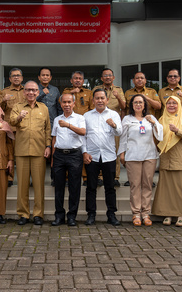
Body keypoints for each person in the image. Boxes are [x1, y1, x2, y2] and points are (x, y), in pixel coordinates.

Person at [10, 81, 51, 226]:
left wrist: (48, 146)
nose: (31, 93)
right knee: (22, 185)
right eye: (28, 90)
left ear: (38, 92)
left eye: (34, 90)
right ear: (24, 92)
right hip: (21, 151)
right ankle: (23, 214)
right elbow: (12, 122)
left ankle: (38, 214)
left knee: (39, 185)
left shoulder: (44, 108)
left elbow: (47, 129)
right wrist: (19, 117)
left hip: (39, 151)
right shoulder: (17, 107)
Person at [118, 94, 163, 226]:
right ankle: (136, 214)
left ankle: (146, 213)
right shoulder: (127, 119)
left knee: (147, 185)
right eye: (135, 102)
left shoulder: (151, 118)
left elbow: (159, 135)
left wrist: (154, 123)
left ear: (144, 105)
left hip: (149, 155)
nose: (138, 105)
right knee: (135, 185)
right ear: (132, 105)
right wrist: (122, 153)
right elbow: (123, 137)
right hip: (133, 155)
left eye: (140, 102)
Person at [152, 96, 182, 227]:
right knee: (167, 189)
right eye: (168, 103)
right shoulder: (161, 119)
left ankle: (181, 215)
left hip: (181, 158)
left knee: (181, 188)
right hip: (166, 158)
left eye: (174, 103)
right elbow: (157, 138)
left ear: (179, 105)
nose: (171, 105)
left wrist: (178, 131)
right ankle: (167, 214)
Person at [82, 89, 122, 226]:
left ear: (107, 100)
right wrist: (84, 152)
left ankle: (111, 214)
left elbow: (120, 132)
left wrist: (114, 125)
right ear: (93, 100)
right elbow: (83, 137)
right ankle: (91, 214)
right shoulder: (86, 116)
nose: (100, 100)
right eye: (97, 98)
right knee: (91, 187)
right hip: (92, 156)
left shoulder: (113, 114)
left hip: (108, 156)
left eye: (102, 98)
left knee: (110, 187)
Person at [51, 93, 86, 226]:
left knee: (74, 187)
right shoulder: (56, 119)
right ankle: (59, 216)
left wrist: (68, 125)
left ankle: (72, 216)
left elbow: (83, 132)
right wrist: (54, 158)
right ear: (61, 104)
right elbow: (54, 138)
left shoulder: (79, 118)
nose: (66, 105)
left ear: (73, 104)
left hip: (74, 155)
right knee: (58, 187)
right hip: (59, 155)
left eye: (69, 102)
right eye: (64, 102)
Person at [92, 68, 126, 187]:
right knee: (99, 148)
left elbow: (124, 106)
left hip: (113, 123)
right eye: (105, 75)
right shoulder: (96, 89)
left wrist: (118, 97)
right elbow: (93, 105)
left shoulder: (118, 90)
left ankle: (115, 177)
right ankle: (100, 177)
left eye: (110, 75)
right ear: (101, 78)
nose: (107, 77)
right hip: (99, 121)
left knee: (114, 149)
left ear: (113, 77)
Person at [62, 70, 93, 186]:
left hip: (83, 124)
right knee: (68, 148)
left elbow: (91, 108)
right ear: (71, 80)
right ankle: (66, 177)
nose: (78, 80)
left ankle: (85, 177)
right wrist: (72, 92)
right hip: (69, 122)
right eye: (75, 78)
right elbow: (62, 100)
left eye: (80, 78)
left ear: (83, 81)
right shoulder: (66, 91)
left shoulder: (89, 93)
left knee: (84, 149)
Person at [0, 68, 26, 187]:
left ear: (22, 78)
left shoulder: (27, 91)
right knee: (10, 154)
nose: (16, 77)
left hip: (24, 128)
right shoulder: (4, 92)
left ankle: (24, 179)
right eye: (14, 76)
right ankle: (10, 178)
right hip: (10, 128)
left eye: (18, 75)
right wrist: (3, 101)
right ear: (10, 78)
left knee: (24, 155)